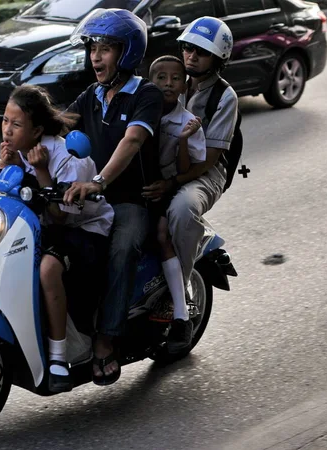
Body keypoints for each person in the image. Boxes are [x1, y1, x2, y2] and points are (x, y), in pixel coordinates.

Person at [0, 84, 114, 393]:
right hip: (48, 228)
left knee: (47, 268)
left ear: (37, 130)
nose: (7, 130)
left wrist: (41, 170)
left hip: (85, 229)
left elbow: (60, 215)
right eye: (5, 121)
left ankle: (57, 357)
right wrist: (0, 168)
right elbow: (3, 182)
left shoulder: (65, 156)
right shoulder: (18, 151)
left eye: (16, 125)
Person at [62, 8, 164, 385]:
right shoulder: (92, 95)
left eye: (105, 48)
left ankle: (106, 340)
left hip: (128, 199)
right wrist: (14, 147)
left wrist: (100, 181)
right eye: (93, 47)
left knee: (122, 250)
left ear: (128, 53)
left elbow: (132, 140)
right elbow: (58, 127)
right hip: (91, 197)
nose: (95, 56)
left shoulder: (146, 94)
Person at [144, 17, 238, 289]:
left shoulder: (224, 96)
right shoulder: (172, 78)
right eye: (187, 47)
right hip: (166, 159)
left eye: (202, 51)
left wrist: (170, 184)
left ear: (218, 57)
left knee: (183, 208)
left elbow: (207, 160)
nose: (191, 55)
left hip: (205, 173)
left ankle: (180, 292)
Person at [144, 55, 206, 353]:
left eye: (175, 78)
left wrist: (183, 139)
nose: (168, 83)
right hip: (135, 185)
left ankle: (181, 314)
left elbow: (184, 170)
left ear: (185, 85)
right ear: (149, 80)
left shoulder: (187, 122)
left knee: (160, 234)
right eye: (160, 77)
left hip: (165, 186)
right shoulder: (141, 109)